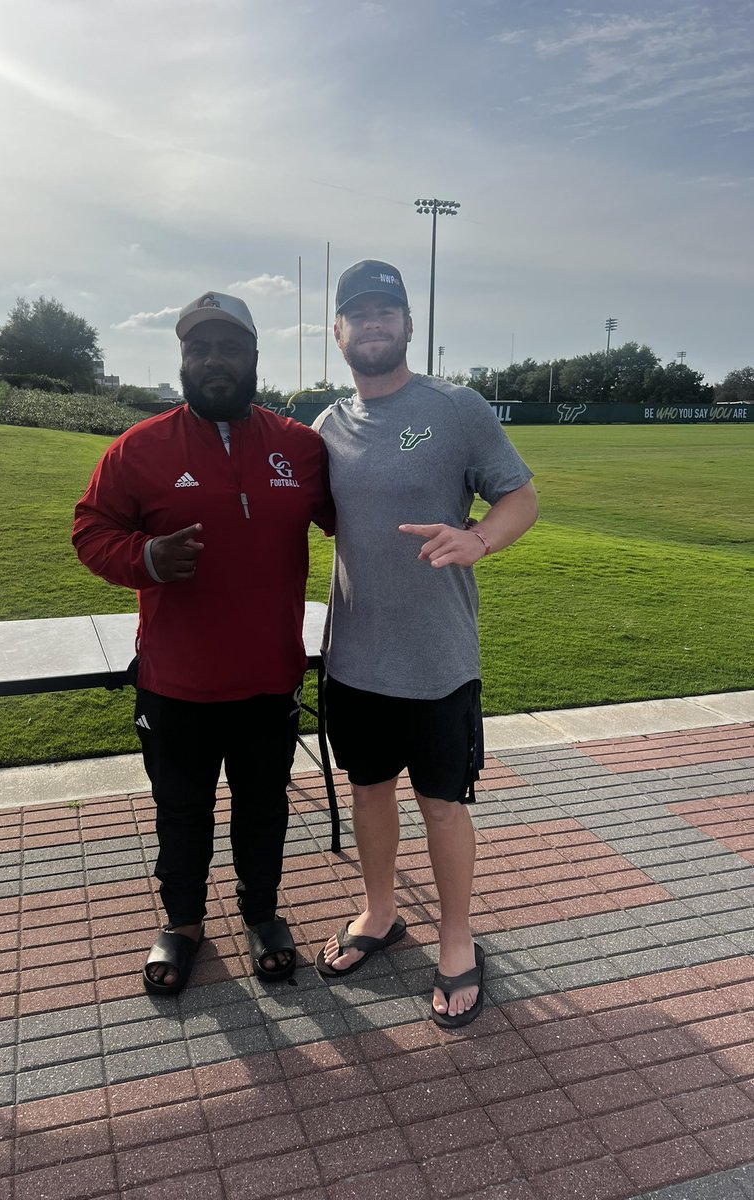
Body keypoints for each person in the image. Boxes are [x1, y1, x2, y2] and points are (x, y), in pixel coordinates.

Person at [73, 291, 333, 995]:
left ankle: (261, 915)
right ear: (184, 360)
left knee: (263, 806)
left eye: (227, 347)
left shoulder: (300, 447)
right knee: (180, 811)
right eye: (198, 349)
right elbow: (90, 532)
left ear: (253, 357)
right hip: (176, 682)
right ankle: (183, 922)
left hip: (267, 676)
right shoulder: (138, 449)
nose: (213, 360)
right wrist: (148, 558)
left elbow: (359, 512)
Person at [314, 260, 538, 1029]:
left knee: (443, 806)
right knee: (368, 792)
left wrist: (479, 540)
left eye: (388, 311)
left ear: (408, 326)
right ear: (336, 332)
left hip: (439, 660)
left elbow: (520, 496)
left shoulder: (456, 408)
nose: (373, 324)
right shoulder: (327, 427)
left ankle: (455, 937)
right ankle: (379, 914)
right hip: (354, 659)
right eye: (358, 313)